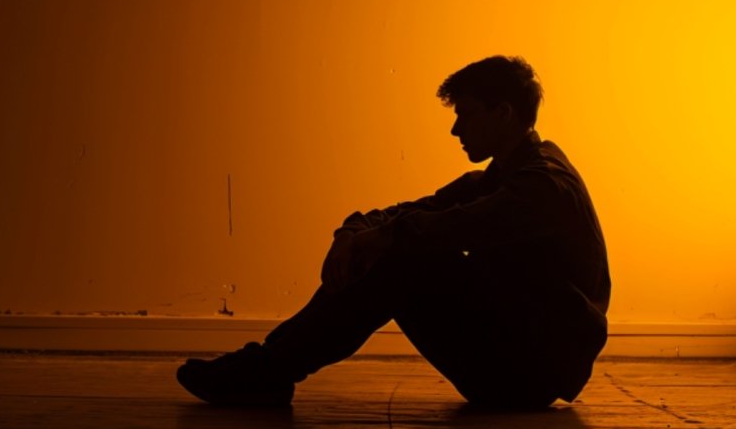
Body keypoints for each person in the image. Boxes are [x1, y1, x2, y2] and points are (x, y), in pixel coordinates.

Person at [177, 55, 610, 409]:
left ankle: (266, 371)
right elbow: (409, 212)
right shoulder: (499, 179)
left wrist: (380, 239)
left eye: (466, 115)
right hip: (512, 358)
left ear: (503, 114)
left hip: (527, 374)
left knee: (405, 255)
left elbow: (450, 226)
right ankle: (268, 368)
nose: (456, 129)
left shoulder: (544, 187)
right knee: (401, 244)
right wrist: (351, 233)